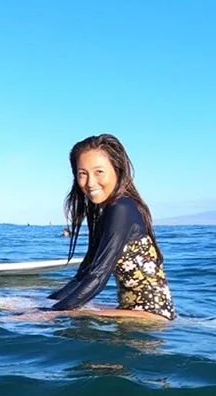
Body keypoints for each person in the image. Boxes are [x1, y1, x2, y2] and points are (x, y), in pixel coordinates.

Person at [48, 134, 175, 321]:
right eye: (83, 173)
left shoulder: (121, 208)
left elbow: (99, 277)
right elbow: (84, 275)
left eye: (99, 172)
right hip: (134, 311)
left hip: (152, 317)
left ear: (117, 170)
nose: (90, 182)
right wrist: (47, 302)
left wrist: (49, 314)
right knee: (21, 307)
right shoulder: (106, 211)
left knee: (36, 318)